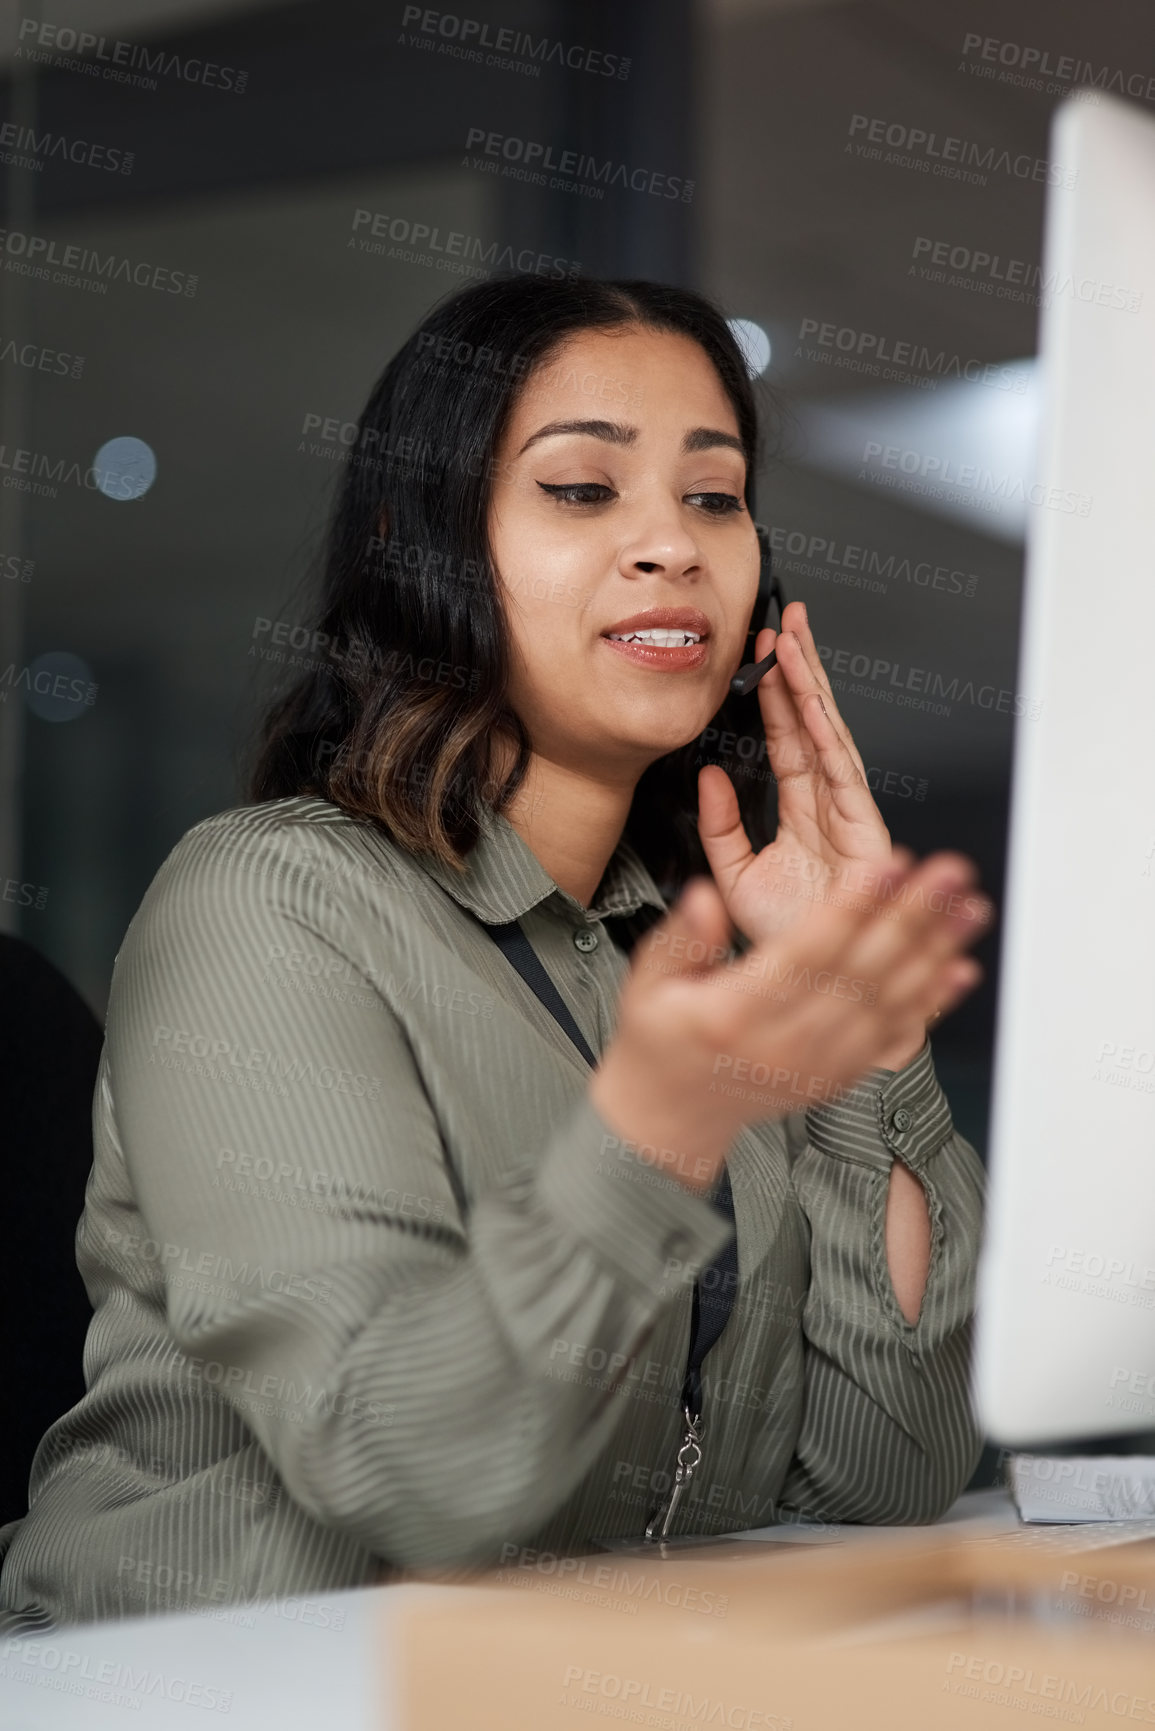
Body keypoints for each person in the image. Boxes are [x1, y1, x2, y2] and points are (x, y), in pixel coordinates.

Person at [0, 275, 990, 1631]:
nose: (672, 545)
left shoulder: (688, 957)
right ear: (426, 537)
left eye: (714, 496)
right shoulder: (271, 904)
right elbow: (401, 1466)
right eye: (584, 489)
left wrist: (862, 1019)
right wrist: (651, 1131)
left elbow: (881, 1479)